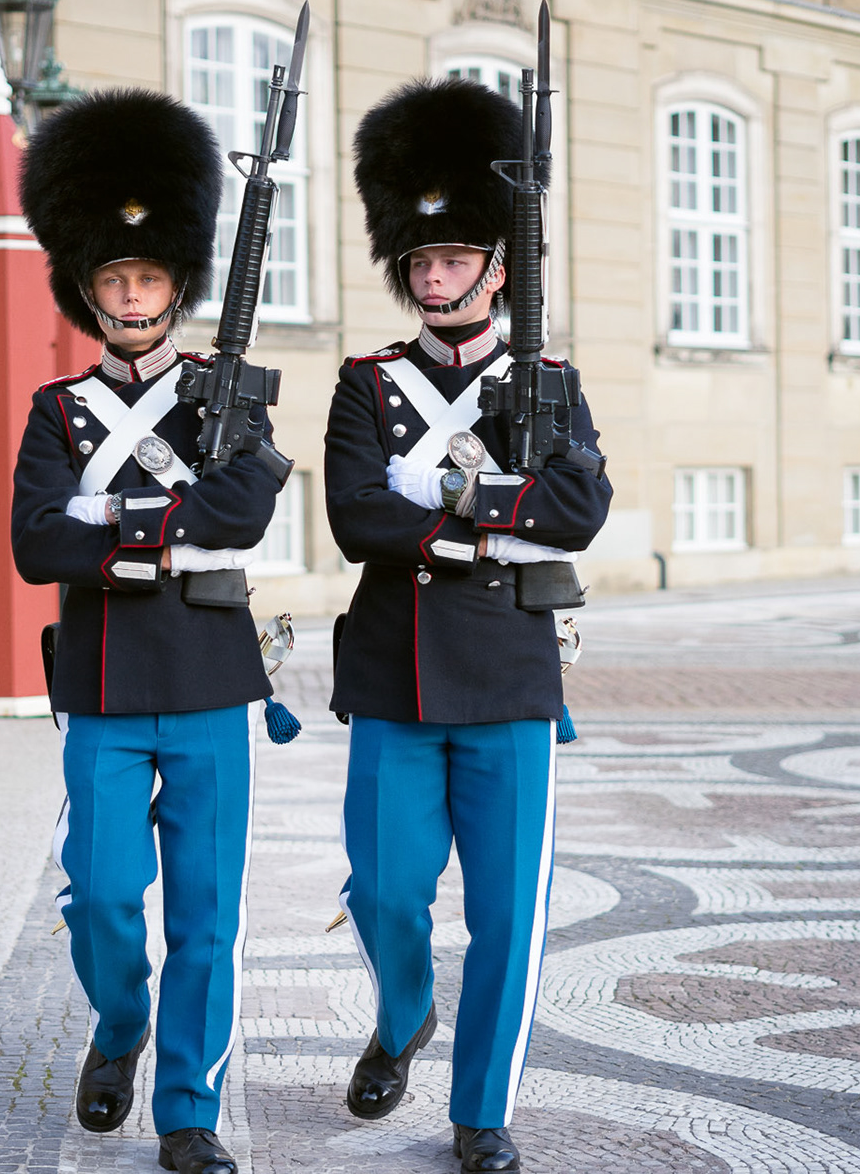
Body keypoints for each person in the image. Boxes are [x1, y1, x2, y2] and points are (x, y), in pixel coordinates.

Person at [324, 78, 611, 1173]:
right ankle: (404, 1017)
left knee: (506, 913)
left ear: (497, 265)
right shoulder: (368, 385)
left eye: (453, 259)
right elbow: (357, 518)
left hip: (509, 678)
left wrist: (437, 510)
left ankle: (481, 1110)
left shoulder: (548, 381)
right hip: (395, 673)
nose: (435, 277)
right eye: (420, 262)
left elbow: (581, 510)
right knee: (384, 887)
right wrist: (500, 522)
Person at [12, 89, 284, 1174]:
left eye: (149, 278)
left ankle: (186, 1109)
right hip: (104, 689)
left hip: (214, 680)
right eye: (115, 279)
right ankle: (120, 1023)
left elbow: (247, 510)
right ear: (92, 290)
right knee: (104, 898)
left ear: (177, 287)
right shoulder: (58, 409)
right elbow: (37, 542)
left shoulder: (229, 395)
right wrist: (169, 533)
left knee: (206, 917)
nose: (132, 294)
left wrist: (110, 525)